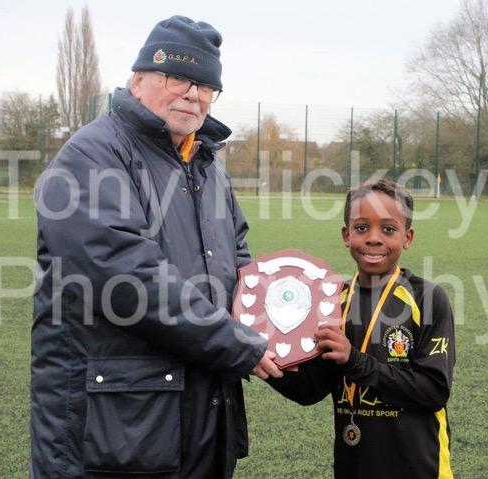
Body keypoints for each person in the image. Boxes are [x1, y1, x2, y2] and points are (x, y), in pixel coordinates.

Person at [31, 15, 281, 479]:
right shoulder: (92, 154)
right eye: (176, 77)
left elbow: (238, 264)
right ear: (138, 80)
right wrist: (236, 343)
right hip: (117, 430)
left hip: (201, 418)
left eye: (205, 85)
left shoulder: (207, 166)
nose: (193, 94)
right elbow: (127, 275)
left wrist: (282, 320)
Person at [268, 179, 456, 478]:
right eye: (361, 228)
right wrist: (264, 358)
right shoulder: (331, 302)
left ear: (407, 237)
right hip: (355, 467)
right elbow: (310, 389)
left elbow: (433, 391)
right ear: (346, 235)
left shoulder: (428, 298)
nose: (374, 239)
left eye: (388, 229)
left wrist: (354, 361)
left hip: (420, 468)